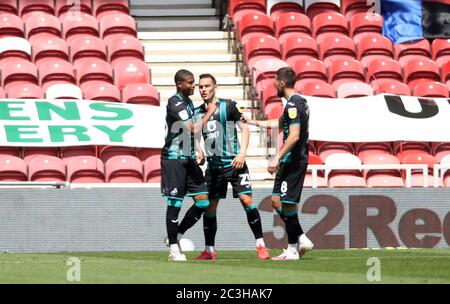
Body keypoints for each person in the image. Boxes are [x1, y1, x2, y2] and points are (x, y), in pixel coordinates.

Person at [194, 74, 270, 260]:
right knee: (209, 207)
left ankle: (261, 245)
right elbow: (195, 136)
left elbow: (245, 129)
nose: (203, 90)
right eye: (200, 87)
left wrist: (242, 153)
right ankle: (209, 250)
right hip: (213, 168)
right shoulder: (197, 112)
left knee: (246, 201)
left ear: (215, 87)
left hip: (234, 164)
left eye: (207, 86)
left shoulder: (228, 106)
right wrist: (199, 151)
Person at [241, 67, 314, 260]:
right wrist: (252, 122)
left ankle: (292, 250)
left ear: (282, 83)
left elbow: (295, 136)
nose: (273, 85)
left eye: (275, 82)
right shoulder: (299, 102)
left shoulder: (292, 105)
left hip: (293, 160)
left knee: (288, 205)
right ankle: (301, 237)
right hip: (290, 160)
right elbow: (278, 123)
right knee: (276, 201)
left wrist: (277, 157)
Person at [161, 69, 218, 261]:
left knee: (203, 201)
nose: (194, 86)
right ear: (179, 84)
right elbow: (192, 127)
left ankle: (175, 236)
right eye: (190, 82)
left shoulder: (189, 102)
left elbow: (191, 134)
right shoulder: (174, 102)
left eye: (194, 82)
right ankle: (174, 251)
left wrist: (198, 148)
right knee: (175, 203)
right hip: (174, 158)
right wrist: (210, 113)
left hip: (189, 159)